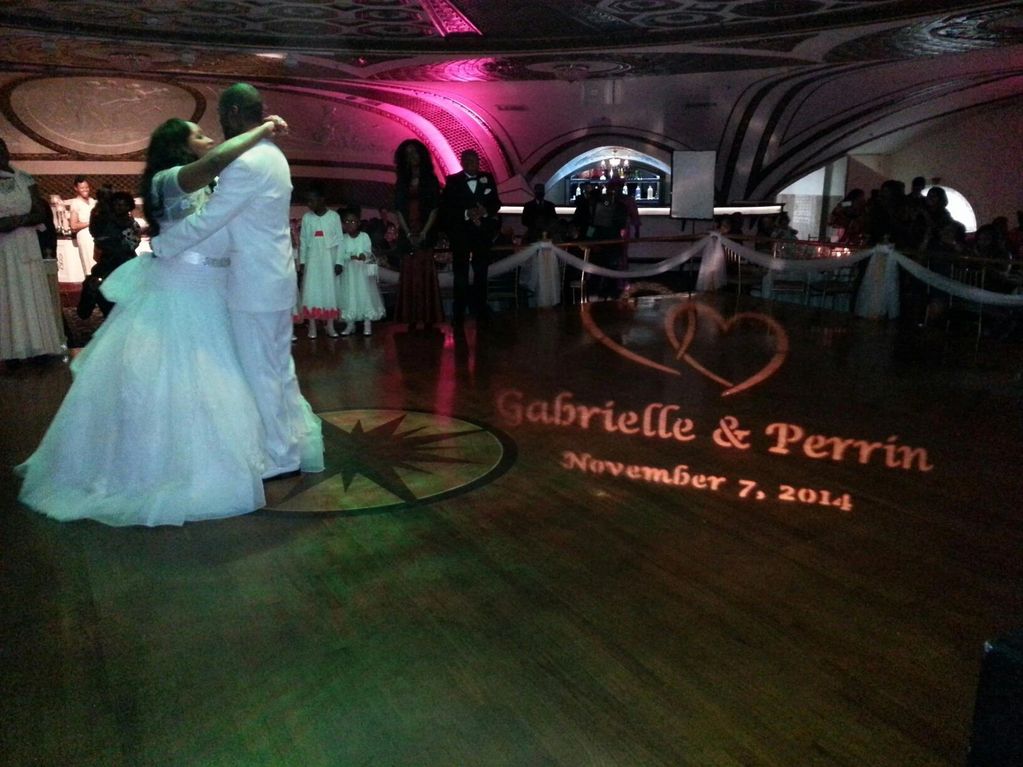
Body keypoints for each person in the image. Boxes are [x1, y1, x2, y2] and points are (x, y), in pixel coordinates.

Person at [17, 116, 289, 526]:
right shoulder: (168, 179)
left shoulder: (197, 180)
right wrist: (262, 129)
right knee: (180, 375)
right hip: (181, 288)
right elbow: (216, 161)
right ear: (176, 146)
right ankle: (163, 471)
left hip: (210, 286)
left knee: (217, 373)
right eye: (196, 135)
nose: (206, 139)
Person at [151, 83, 324, 480]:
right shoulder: (273, 155)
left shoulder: (244, 163)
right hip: (276, 278)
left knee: (262, 371)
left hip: (255, 284)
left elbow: (212, 219)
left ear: (230, 113)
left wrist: (163, 244)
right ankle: (291, 441)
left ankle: (280, 457)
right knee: (279, 367)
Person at [0, 137, 65, 365]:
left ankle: (39, 347)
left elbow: (40, 212)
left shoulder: (24, 178)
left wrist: (19, 220)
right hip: (2, 246)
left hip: (25, 241)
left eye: (2, 147)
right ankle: (10, 352)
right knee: (5, 293)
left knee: (30, 289)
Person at [441, 149, 502, 325]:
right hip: (461, 234)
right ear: (462, 162)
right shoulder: (453, 181)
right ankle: (459, 311)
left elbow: (496, 202)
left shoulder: (487, 178)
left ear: (478, 162)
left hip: (482, 234)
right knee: (460, 273)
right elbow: (447, 207)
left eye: (474, 160)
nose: (471, 163)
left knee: (481, 272)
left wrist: (484, 211)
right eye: (467, 160)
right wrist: (467, 213)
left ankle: (481, 308)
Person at [393, 139, 444, 330]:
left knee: (425, 276)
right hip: (408, 233)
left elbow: (434, 209)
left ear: (421, 155)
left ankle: (428, 317)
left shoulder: (430, 179)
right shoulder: (402, 181)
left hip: (425, 231)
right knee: (410, 276)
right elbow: (398, 209)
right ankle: (411, 318)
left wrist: (423, 233)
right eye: (408, 154)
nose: (412, 157)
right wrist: (407, 233)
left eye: (415, 153)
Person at [77, 191, 141, 319]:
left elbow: (132, 244)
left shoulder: (132, 224)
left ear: (129, 206)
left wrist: (113, 242)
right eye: (117, 204)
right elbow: (97, 236)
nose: (120, 207)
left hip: (126, 262)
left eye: (123, 205)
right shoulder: (104, 220)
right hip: (108, 261)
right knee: (96, 286)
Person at [296, 183, 343, 339]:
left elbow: (340, 241)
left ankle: (330, 326)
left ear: (322, 200)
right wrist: (302, 262)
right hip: (313, 260)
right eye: (307, 201)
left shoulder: (334, 217)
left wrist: (339, 262)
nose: (309, 204)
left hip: (329, 259)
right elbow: (303, 241)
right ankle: (312, 327)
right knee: (312, 291)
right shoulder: (307, 218)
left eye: (312, 200)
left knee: (329, 291)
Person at [337, 208, 385, 336]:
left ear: (358, 223)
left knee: (365, 295)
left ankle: (367, 323)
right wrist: (349, 257)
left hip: (362, 274)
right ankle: (350, 323)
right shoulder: (343, 238)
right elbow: (341, 254)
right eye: (346, 221)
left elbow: (368, 251)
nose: (349, 224)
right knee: (350, 296)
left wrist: (363, 255)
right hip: (349, 273)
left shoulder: (364, 236)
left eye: (352, 221)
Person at [68, 175, 97, 277]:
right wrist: (90, 222)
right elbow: (73, 225)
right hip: (85, 237)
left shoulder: (93, 201)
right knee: (89, 264)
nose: (85, 190)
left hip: (95, 235)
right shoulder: (75, 203)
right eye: (82, 188)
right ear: (76, 188)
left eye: (86, 187)